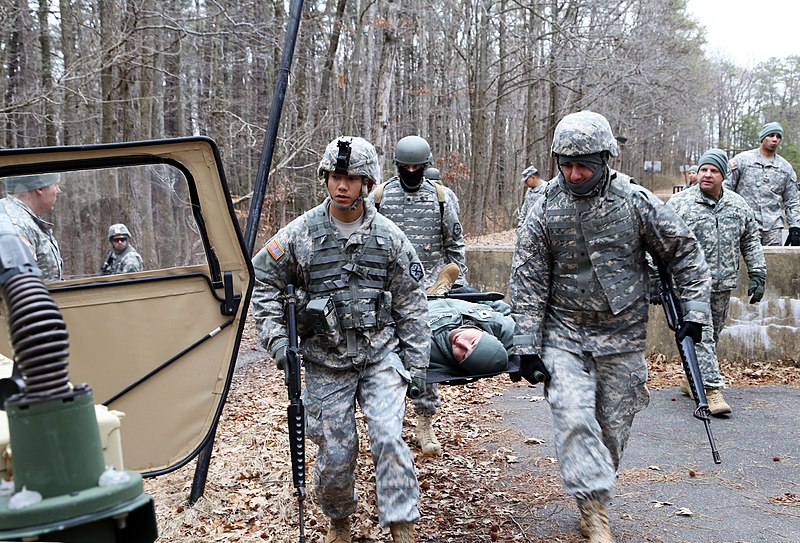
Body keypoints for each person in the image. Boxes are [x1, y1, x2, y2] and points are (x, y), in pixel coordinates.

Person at [510, 110, 711, 543]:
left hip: (622, 335)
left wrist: (694, 312)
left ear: (606, 161)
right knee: (573, 416)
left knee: (612, 426)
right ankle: (593, 507)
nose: (574, 174)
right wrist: (525, 344)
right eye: (566, 164)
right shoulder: (544, 206)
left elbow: (682, 253)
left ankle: (596, 487)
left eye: (584, 165)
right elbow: (527, 277)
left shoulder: (634, 201)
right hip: (563, 334)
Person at [251, 136, 429, 543]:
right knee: (335, 452)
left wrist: (417, 366)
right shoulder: (300, 234)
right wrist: (278, 343)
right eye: (335, 176)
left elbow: (412, 304)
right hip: (324, 362)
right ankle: (339, 519)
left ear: (367, 183)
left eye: (351, 178)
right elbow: (262, 282)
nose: (342, 185)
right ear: (325, 179)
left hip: (379, 356)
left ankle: (402, 525)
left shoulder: (389, 237)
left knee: (388, 435)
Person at [367, 135, 467, 456]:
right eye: (405, 166)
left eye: (416, 166)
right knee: (383, 358)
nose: (411, 171)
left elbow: (455, 247)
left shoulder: (441, 197)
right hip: (387, 292)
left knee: (425, 360)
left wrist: (450, 279)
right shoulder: (380, 196)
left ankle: (425, 423)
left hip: (427, 294)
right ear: (396, 166)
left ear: (425, 166)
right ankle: (389, 424)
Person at [667, 149, 766, 416]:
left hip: (723, 283)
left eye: (714, 171)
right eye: (703, 170)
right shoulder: (680, 204)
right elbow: (659, 240)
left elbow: (750, 241)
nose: (707, 175)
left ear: (724, 175)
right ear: (697, 173)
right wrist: (655, 275)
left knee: (714, 334)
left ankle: (691, 379)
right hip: (690, 284)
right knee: (703, 336)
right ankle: (711, 391)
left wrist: (758, 272)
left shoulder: (738, 205)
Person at [725, 122, 800, 246]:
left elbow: (792, 201)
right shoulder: (742, 161)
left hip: (773, 228)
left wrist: (795, 227)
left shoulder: (785, 168)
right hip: (745, 224)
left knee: (773, 262)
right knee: (743, 262)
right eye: (771, 135)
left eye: (778, 136)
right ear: (763, 137)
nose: (775, 139)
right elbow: (726, 190)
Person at [0, 173, 63, 282]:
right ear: (40, 189)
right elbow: (22, 284)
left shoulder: (17, 216)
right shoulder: (18, 227)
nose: (59, 191)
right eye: (55, 185)